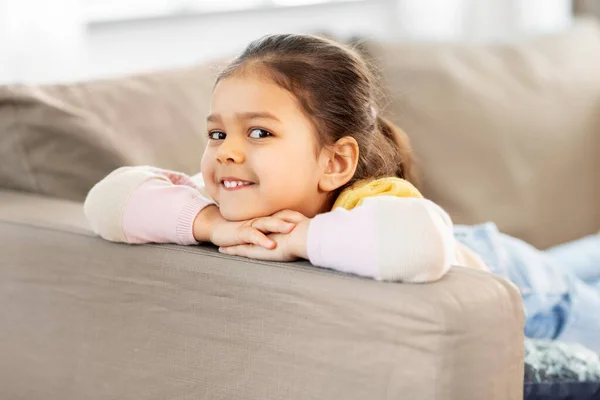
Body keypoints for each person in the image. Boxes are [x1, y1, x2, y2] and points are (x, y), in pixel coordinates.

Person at [84, 33, 600, 352]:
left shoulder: (371, 200)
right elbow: (106, 202)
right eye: (218, 133)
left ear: (334, 163)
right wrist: (211, 224)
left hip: (528, 288)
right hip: (488, 249)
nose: (227, 152)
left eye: (258, 132)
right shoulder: (226, 203)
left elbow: (418, 248)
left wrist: (301, 239)